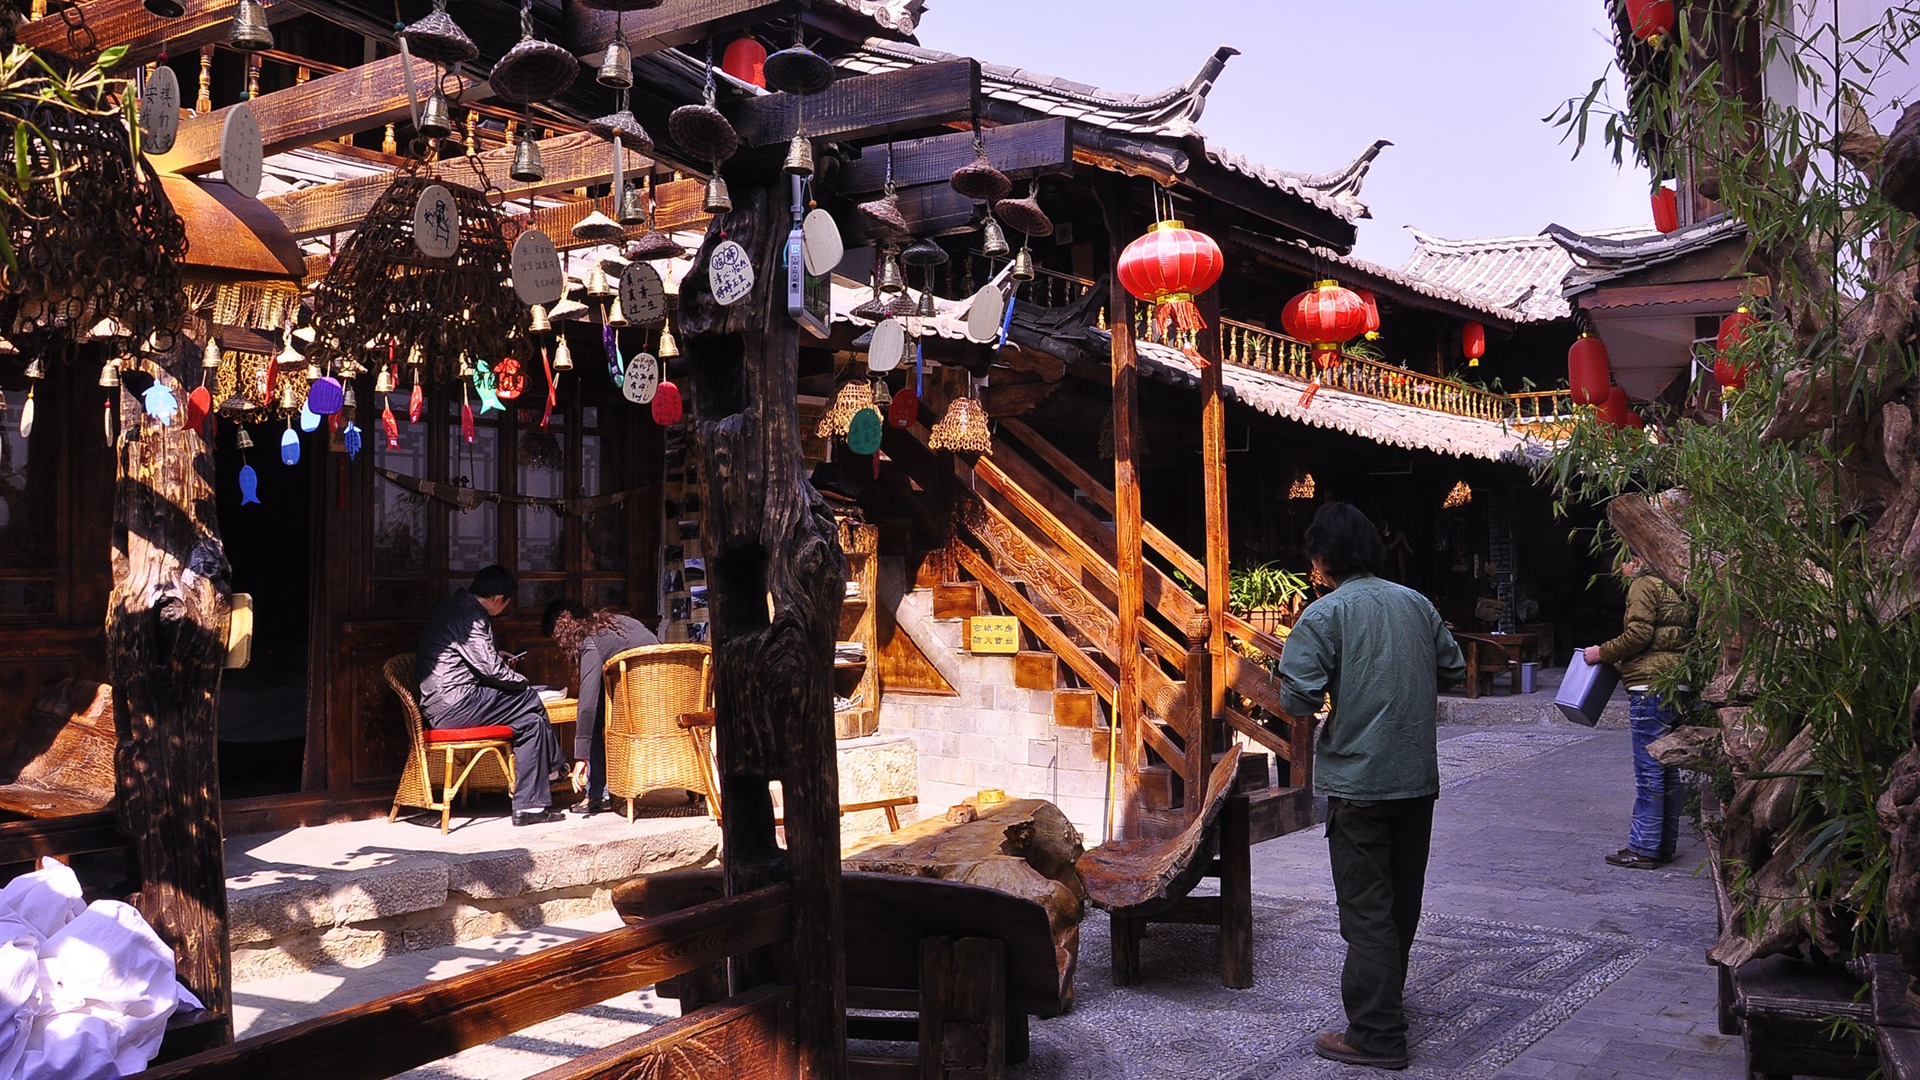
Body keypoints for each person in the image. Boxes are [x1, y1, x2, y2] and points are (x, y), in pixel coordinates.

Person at [1276, 502, 1466, 1072]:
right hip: (1414, 779)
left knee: (1367, 913)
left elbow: (1296, 701)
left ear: (1321, 559)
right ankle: (1384, 1003)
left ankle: (1378, 1034)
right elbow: (1454, 671)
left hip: (1359, 784)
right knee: (1400, 902)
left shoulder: (1323, 615)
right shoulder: (1416, 604)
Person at [415, 566, 564, 826]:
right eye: (506, 604)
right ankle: (555, 768)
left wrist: (497, 659)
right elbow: (491, 670)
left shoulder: (456, 605)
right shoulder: (472, 616)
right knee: (530, 698)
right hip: (454, 705)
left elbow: (475, 659)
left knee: (532, 724)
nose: (504, 609)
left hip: (447, 703)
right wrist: (525, 683)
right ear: (498, 599)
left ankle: (529, 808)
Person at [1583, 553, 1693, 869]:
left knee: (1649, 771)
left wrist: (1601, 653)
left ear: (1636, 557)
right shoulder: (1679, 583)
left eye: (1623, 562)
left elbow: (1639, 636)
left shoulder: (1644, 583)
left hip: (1650, 687)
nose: (1622, 570)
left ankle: (1643, 848)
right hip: (1676, 683)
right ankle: (1664, 845)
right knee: (1668, 767)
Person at [542, 600, 659, 815]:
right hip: (665, 703)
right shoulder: (622, 623)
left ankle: (596, 793)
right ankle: (602, 790)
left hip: (637, 712)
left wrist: (581, 757)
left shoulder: (591, 642)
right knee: (602, 707)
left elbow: (587, 704)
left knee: (594, 716)